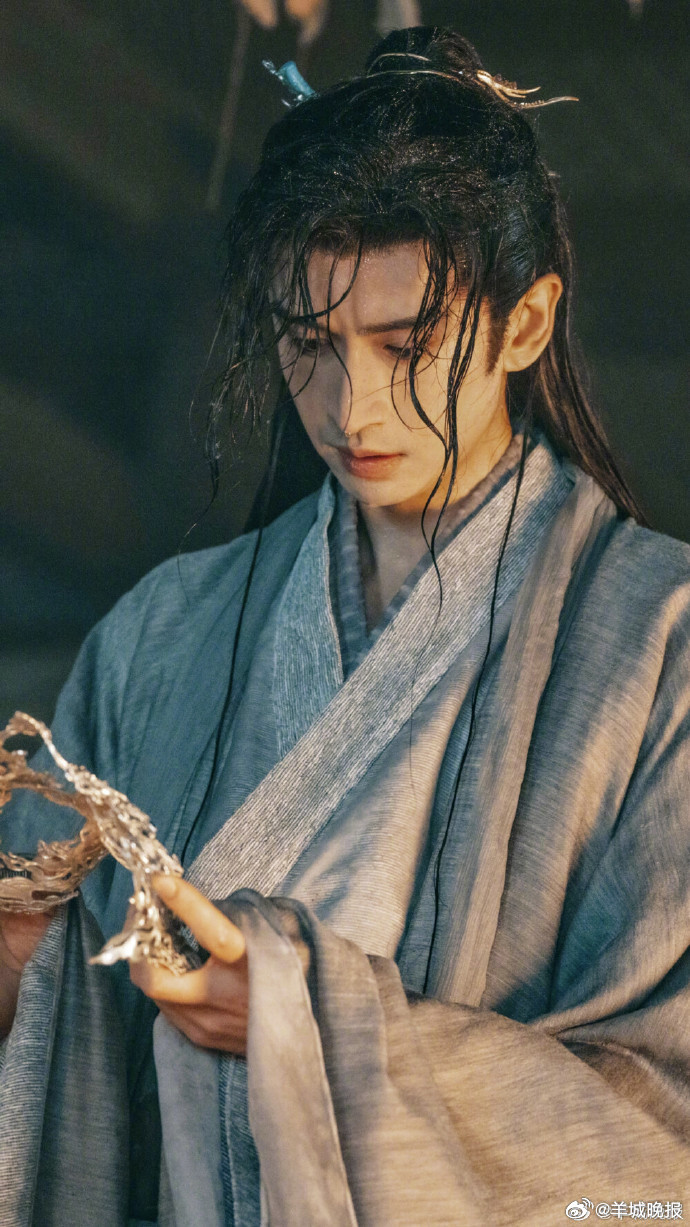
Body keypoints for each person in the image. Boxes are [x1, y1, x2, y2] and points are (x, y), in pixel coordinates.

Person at [1, 24, 689, 1227]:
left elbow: (665, 1131)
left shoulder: (661, 642)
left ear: (526, 324)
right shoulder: (161, 635)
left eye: (406, 345)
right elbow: (40, 1024)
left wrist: (297, 1018)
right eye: (309, 343)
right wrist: (27, 969)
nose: (351, 406)